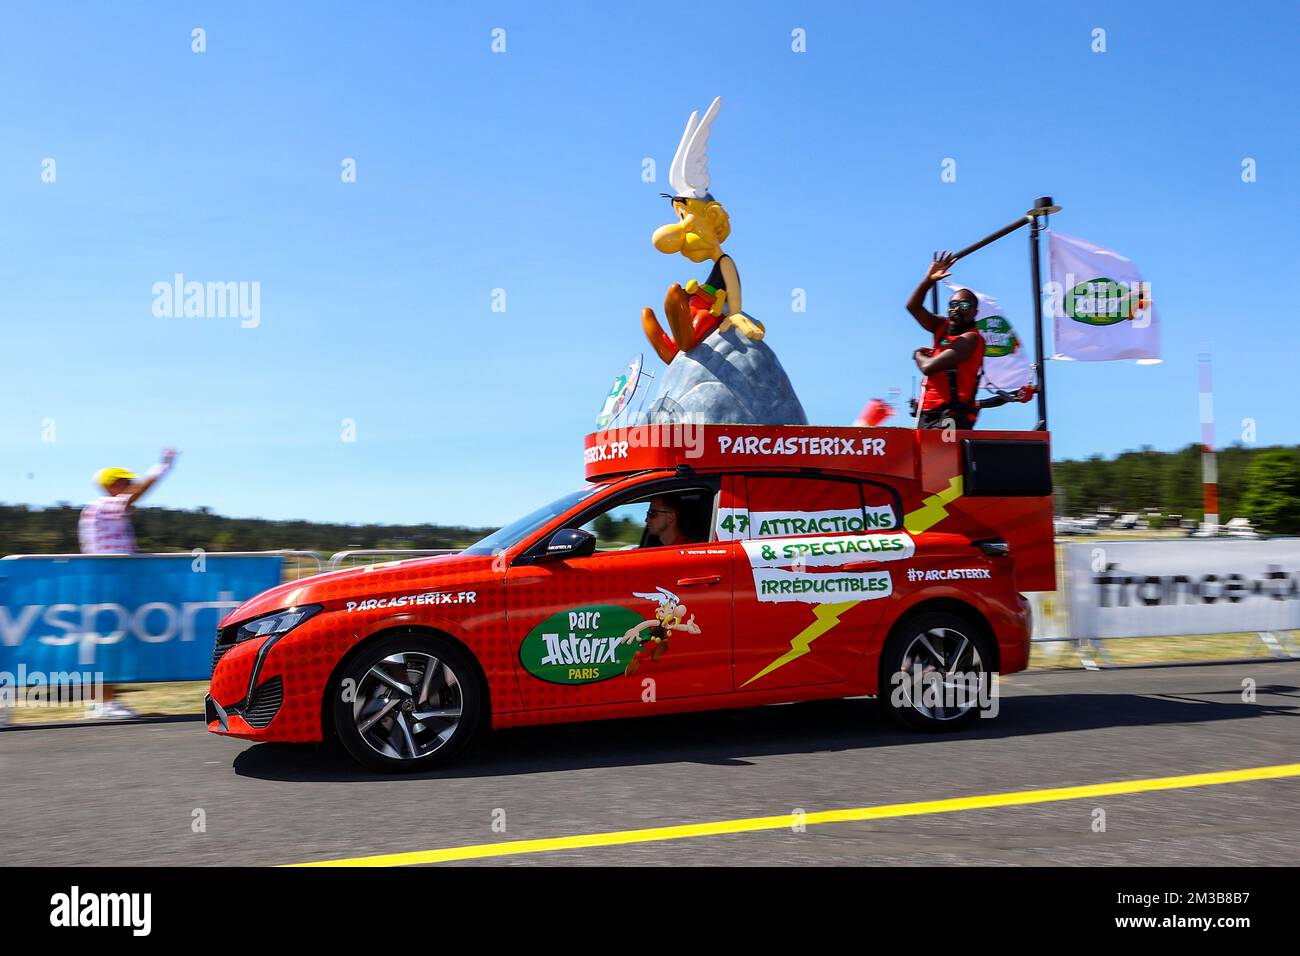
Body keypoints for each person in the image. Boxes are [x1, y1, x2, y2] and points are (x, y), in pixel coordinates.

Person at [78, 448, 178, 719]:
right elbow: (139, 492)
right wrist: (162, 467)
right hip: (109, 583)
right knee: (109, 642)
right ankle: (104, 704)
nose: (132, 488)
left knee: (111, 641)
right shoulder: (106, 506)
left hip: (108, 581)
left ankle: (102, 701)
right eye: (127, 483)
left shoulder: (104, 512)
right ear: (114, 486)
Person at [905, 252, 986, 429]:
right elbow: (913, 307)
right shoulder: (941, 326)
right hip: (927, 413)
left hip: (950, 416)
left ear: (974, 312)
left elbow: (928, 367)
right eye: (952, 305)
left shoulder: (971, 338)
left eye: (963, 305)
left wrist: (918, 354)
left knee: (939, 457)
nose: (956, 309)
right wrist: (928, 280)